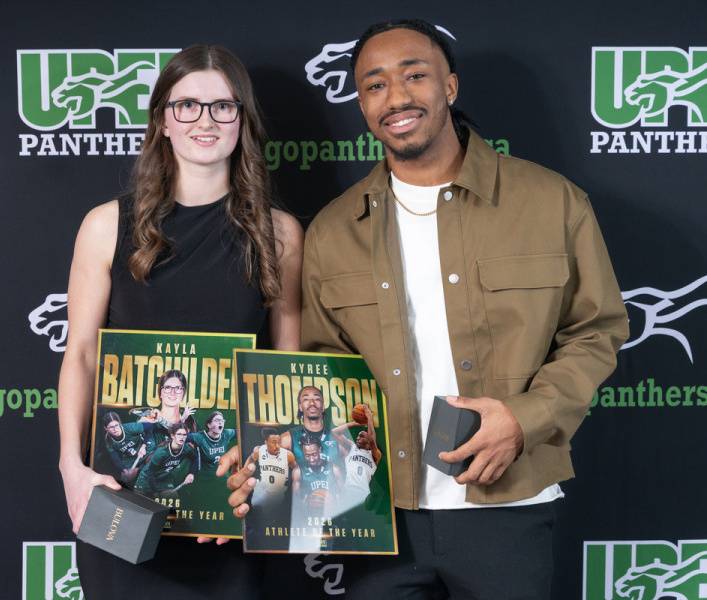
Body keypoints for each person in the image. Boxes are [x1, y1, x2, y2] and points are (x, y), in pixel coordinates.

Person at [229, 18, 628, 598]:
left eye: (415, 75)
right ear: (362, 104)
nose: (396, 97)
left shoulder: (552, 202)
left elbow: (597, 330)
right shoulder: (335, 229)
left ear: (450, 86)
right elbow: (318, 370)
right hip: (375, 515)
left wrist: (525, 418)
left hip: (507, 501)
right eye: (374, 85)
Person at [57, 44, 302, 600]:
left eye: (223, 106)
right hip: (120, 495)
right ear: (163, 120)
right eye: (187, 105)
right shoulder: (105, 226)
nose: (205, 121)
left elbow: (285, 368)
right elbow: (81, 355)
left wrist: (266, 488)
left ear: (243, 120)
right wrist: (72, 468)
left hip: (229, 500)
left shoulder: (280, 233)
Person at [331, 405, 381, 510]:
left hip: (364, 495)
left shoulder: (375, 455)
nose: (357, 438)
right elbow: (334, 432)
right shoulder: (352, 447)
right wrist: (353, 424)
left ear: (367, 440)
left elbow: (372, 441)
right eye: (357, 436)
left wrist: (369, 419)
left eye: (361, 436)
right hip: (348, 491)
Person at [134, 369, 196, 453]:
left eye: (178, 388)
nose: (173, 393)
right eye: (167, 388)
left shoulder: (190, 422)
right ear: (160, 393)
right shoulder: (147, 419)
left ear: (183, 393)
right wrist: (139, 426)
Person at [135, 423, 199, 498]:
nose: (182, 437)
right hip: (147, 479)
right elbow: (150, 473)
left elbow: (195, 459)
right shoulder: (162, 452)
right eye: (179, 434)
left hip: (164, 480)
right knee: (137, 501)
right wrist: (155, 493)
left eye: (184, 435)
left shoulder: (187, 449)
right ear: (172, 436)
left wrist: (191, 473)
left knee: (174, 499)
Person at [92, 410, 153, 485]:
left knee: (152, 461)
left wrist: (144, 446)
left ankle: (143, 470)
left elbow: (150, 427)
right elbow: (115, 458)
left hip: (145, 449)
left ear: (119, 423)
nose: (115, 429)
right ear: (106, 428)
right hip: (130, 457)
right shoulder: (108, 441)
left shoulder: (130, 428)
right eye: (111, 427)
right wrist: (123, 470)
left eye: (116, 425)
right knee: (126, 480)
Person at [188, 411, 237, 482]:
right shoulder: (200, 437)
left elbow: (243, 431)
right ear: (209, 425)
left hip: (223, 478)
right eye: (217, 420)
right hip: (206, 479)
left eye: (222, 420)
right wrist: (182, 420)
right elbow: (180, 437)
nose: (220, 422)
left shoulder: (226, 434)